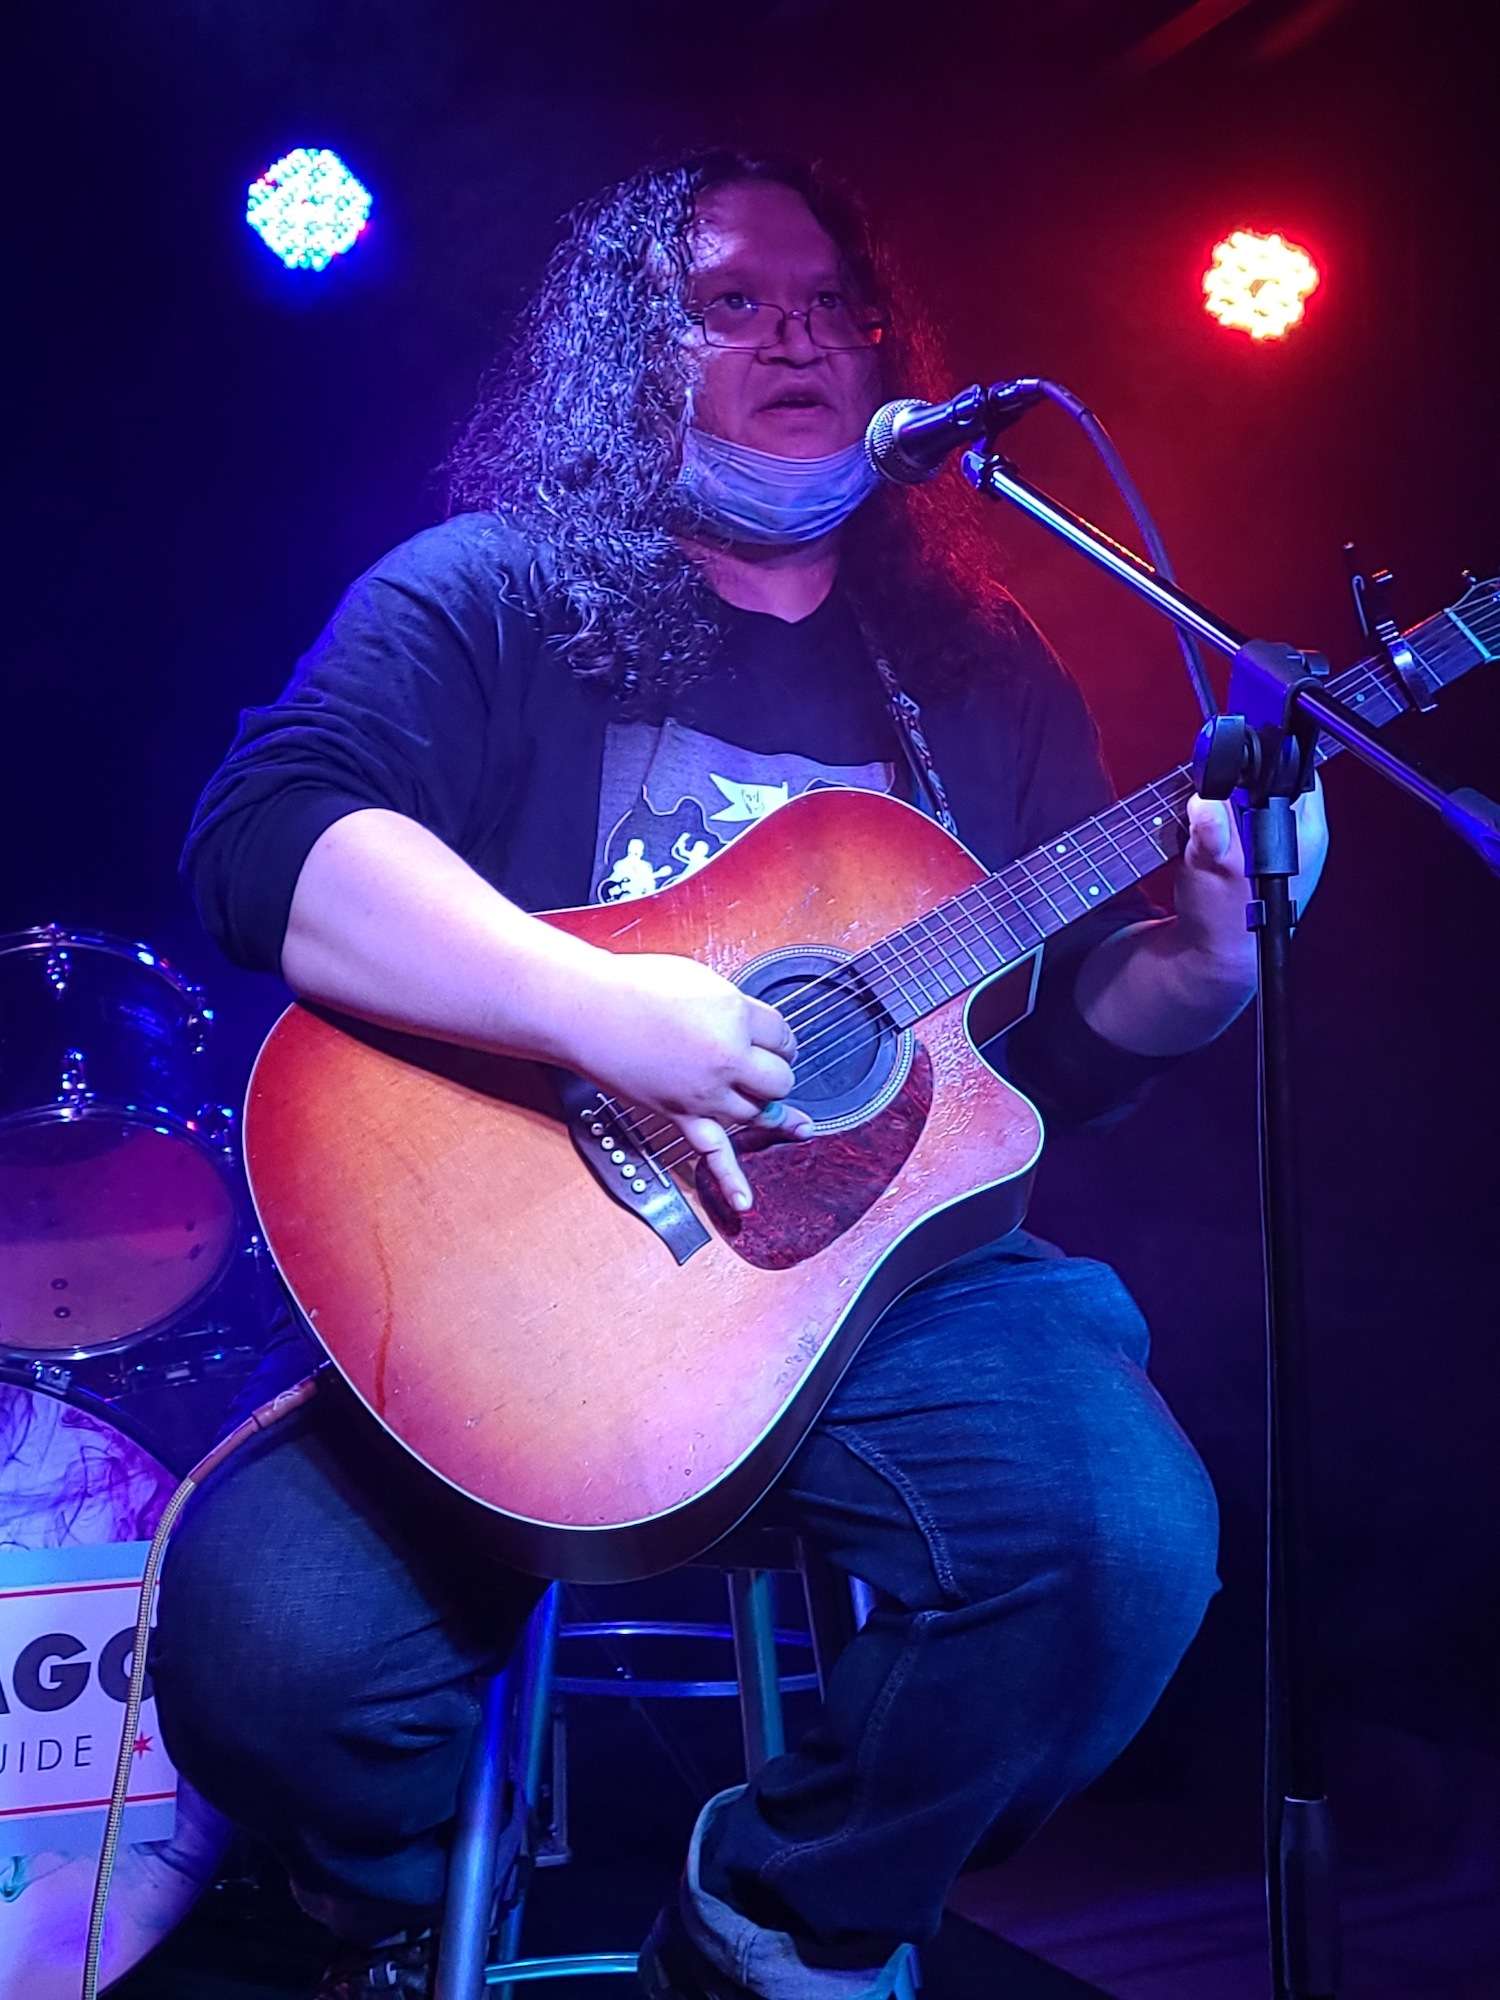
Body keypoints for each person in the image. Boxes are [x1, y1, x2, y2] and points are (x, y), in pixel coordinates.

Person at [153, 150, 1327, 2000]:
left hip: (893, 1306)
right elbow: (266, 840)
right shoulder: (493, 594)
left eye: (834, 305)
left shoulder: (979, 666)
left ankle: (775, 1924)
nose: (800, 337)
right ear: (628, 351)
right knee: (267, 1647)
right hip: (521, 1277)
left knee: (1119, 1543)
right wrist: (599, 1011)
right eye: (732, 302)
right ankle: (365, 1904)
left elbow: (1039, 1069)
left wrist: (1200, 960)